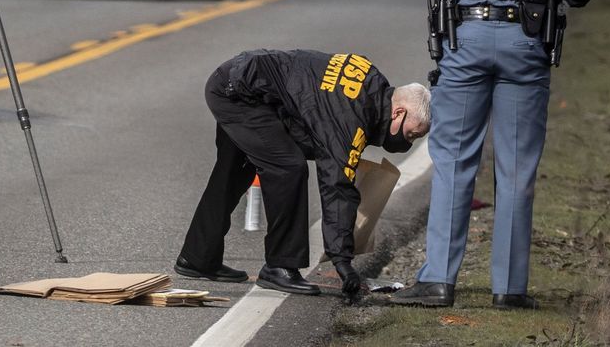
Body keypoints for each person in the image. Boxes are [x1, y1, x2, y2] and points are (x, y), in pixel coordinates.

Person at [391, 0, 601, 310]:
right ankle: (509, 288)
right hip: (528, 40)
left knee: (454, 161)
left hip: (464, 37)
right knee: (515, 167)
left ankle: (439, 280)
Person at [175, 49, 431, 301]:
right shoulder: (350, 115)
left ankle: (198, 257)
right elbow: (337, 184)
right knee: (288, 168)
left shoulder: (371, 87)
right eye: (412, 134)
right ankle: (280, 266)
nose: (408, 142)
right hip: (240, 93)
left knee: (233, 173)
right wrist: (342, 261)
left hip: (242, 81)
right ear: (398, 112)